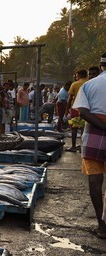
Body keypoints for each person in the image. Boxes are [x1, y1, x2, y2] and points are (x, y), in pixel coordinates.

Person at [72, 53, 106, 239]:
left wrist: (102, 126)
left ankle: (102, 226)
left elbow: (83, 112)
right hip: (98, 127)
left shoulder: (89, 85)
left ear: (101, 65)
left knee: (95, 180)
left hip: (94, 130)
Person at [65, 69, 88, 152]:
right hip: (87, 109)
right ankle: (82, 147)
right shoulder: (89, 82)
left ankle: (73, 146)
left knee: (74, 128)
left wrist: (66, 109)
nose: (76, 77)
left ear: (80, 75)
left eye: (77, 75)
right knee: (83, 129)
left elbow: (70, 98)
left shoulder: (74, 84)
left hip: (75, 108)